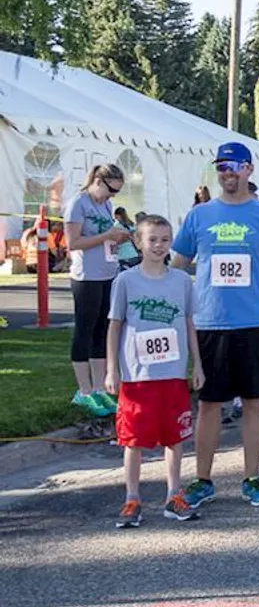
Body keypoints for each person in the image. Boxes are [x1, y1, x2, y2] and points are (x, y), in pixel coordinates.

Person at [171, 142, 259, 509]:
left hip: (255, 322)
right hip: (210, 322)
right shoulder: (199, 216)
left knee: (255, 403)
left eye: (234, 166)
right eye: (221, 166)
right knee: (209, 404)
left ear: (248, 170)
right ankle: (203, 479)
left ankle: (252, 478)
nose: (227, 172)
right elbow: (179, 264)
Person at [104, 214, 201, 527]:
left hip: (172, 374)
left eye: (164, 240)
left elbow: (188, 323)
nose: (159, 246)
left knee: (175, 438)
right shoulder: (126, 281)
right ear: (138, 242)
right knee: (133, 440)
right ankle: (132, 498)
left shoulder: (182, 281)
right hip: (137, 376)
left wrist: (196, 363)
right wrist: (111, 369)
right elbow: (114, 326)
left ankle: (174, 493)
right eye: (152, 240)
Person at [65, 163, 131, 417]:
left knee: (102, 330)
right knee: (85, 327)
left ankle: (98, 386)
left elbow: (106, 235)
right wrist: (106, 236)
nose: (111, 196)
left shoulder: (106, 205)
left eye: (116, 193)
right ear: (98, 181)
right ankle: (83, 390)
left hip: (107, 272)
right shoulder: (78, 203)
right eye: (110, 190)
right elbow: (73, 242)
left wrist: (117, 237)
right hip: (86, 276)